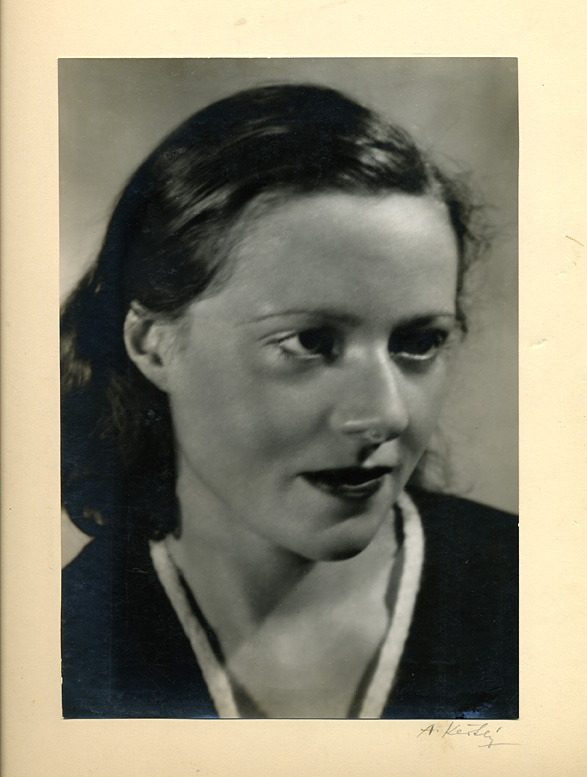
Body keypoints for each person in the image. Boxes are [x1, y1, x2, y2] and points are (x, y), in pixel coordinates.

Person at [61, 83, 518, 719]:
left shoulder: (544, 599)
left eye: (418, 342)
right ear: (153, 344)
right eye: (309, 342)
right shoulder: (57, 646)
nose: (385, 414)